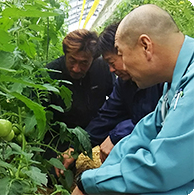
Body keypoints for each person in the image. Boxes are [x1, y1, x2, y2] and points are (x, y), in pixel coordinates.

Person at [72, 4, 194, 195]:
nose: (121, 67)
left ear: (145, 46)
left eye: (120, 54)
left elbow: (161, 166)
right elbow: (144, 132)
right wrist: (101, 175)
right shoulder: (172, 85)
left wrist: (88, 184)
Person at [54, 22, 163, 177]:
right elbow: (107, 116)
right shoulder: (124, 82)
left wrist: (117, 134)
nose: (111, 70)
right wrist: (75, 147)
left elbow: (159, 118)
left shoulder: (163, 76)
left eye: (112, 63)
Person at [43, 29, 115, 186]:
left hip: (96, 129)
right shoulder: (50, 74)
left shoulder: (103, 69)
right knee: (55, 176)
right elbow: (43, 123)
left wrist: (115, 135)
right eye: (72, 60)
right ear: (65, 55)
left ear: (94, 59)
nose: (76, 68)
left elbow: (118, 103)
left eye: (84, 63)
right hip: (63, 135)